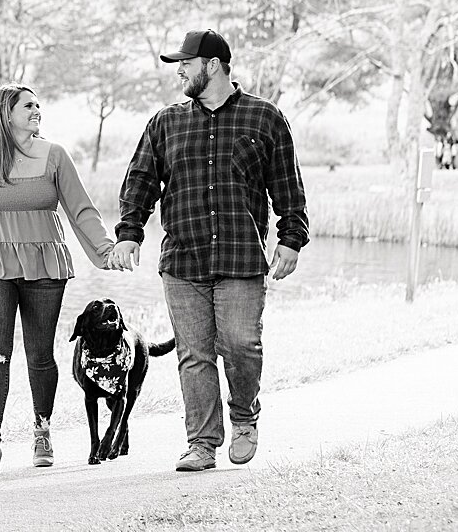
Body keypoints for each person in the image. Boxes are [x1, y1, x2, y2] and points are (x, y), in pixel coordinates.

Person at [108, 29, 309, 473]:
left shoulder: (264, 118)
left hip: (240, 258)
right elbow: (140, 181)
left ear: (212, 65)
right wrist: (129, 233)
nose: (179, 70)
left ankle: (243, 417)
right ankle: (201, 443)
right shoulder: (166, 122)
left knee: (241, 345)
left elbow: (287, 186)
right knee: (194, 354)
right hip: (183, 259)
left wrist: (291, 238)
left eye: (186, 63)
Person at [0, 83, 117, 476]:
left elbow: (81, 209)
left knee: (39, 354)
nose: (37, 110)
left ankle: (42, 431)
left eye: (39, 104)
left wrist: (105, 250)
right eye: (28, 106)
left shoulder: (55, 156)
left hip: (44, 265)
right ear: (6, 114)